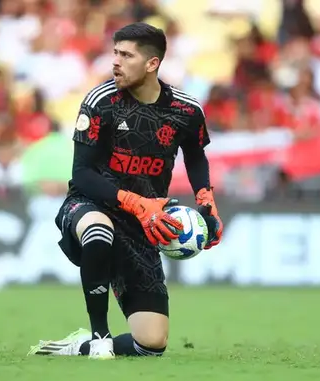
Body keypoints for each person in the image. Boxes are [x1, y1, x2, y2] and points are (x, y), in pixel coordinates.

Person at [27, 22, 223, 359]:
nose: (115, 61)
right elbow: (82, 174)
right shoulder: (100, 101)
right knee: (99, 230)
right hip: (91, 204)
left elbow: (195, 152)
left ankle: (81, 346)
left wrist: (206, 199)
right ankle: (99, 335)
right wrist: (133, 201)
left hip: (143, 226)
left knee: (151, 344)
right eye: (115, 53)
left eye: (126, 55)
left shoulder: (187, 111)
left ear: (152, 64)